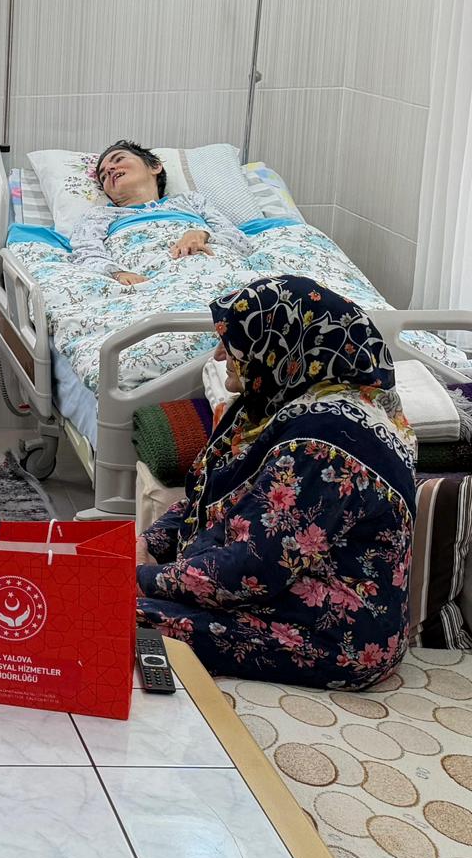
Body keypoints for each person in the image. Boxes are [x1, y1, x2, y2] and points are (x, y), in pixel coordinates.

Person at [137, 276, 415, 690]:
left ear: (282, 346)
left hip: (328, 637)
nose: (219, 355)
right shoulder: (269, 409)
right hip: (271, 600)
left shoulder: (327, 442)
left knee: (107, 610)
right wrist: (149, 541)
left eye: (232, 343)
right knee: (100, 594)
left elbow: (252, 568)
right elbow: (206, 501)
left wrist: (143, 576)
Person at [72, 140, 251, 285]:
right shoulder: (100, 215)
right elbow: (86, 254)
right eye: (103, 176)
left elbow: (241, 243)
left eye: (118, 160)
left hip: (219, 274)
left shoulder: (190, 200)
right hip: (145, 283)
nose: (109, 169)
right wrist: (119, 273)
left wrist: (201, 234)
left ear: (155, 166)